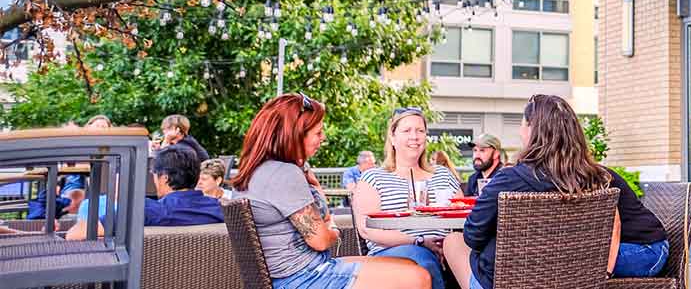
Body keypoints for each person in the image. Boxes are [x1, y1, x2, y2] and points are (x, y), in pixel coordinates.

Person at [232, 93, 429, 289]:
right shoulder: (284, 174)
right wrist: (334, 231)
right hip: (303, 278)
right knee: (417, 277)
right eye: (318, 133)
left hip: (298, 273)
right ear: (294, 134)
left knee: (408, 265)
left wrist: (308, 174)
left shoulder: (257, 170)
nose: (323, 138)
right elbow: (321, 240)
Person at [442, 95, 619, 289]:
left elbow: (472, 235)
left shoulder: (509, 179)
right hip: (574, 280)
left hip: (506, 282)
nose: (520, 132)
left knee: (452, 241)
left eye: (522, 125)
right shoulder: (595, 179)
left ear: (533, 131)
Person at [353, 107, 461, 289]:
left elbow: (462, 217)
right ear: (393, 138)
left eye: (420, 131)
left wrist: (449, 246)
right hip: (393, 254)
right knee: (423, 262)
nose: (415, 136)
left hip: (448, 250)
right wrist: (420, 241)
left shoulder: (443, 174)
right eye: (407, 130)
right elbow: (366, 229)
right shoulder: (373, 177)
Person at [66, 144, 223, 240]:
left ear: (165, 178)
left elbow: (75, 235)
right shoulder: (222, 210)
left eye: (154, 174)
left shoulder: (144, 211)